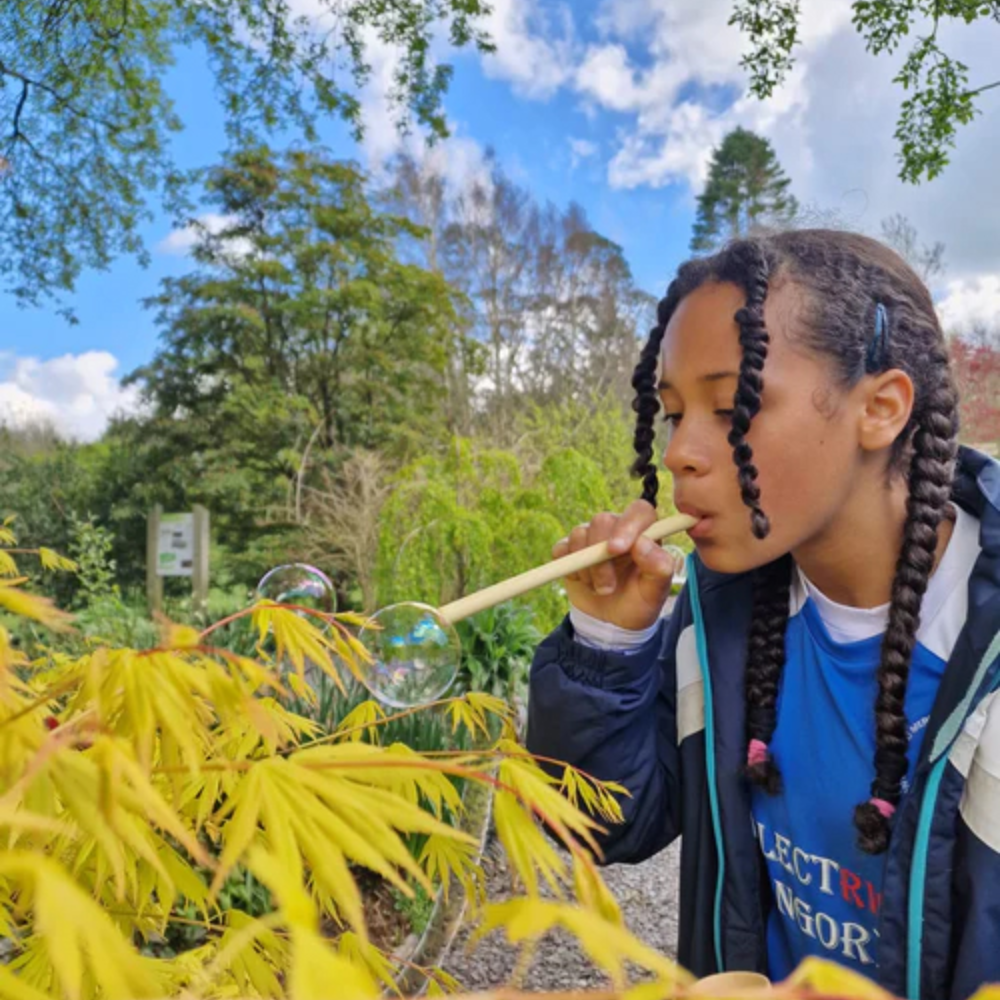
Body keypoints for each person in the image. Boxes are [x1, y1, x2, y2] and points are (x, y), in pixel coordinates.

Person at [526, 231, 1000, 1000]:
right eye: (673, 413)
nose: (679, 453)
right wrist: (607, 642)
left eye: (733, 405)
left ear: (880, 409)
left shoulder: (984, 652)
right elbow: (604, 826)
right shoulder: (723, 610)